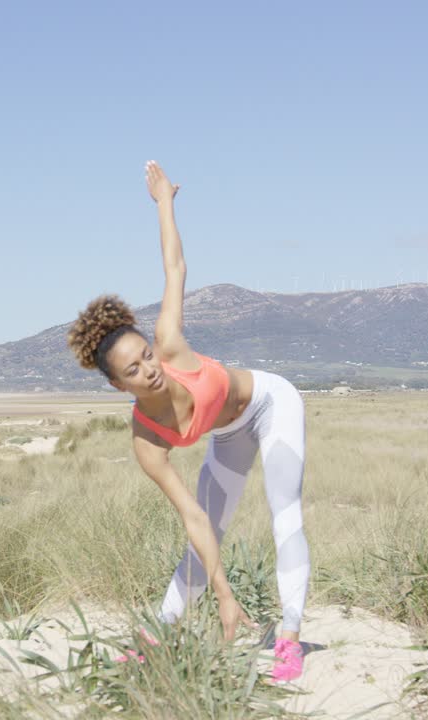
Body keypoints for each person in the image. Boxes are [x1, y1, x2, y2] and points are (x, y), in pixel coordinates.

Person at [65, 161, 311, 683]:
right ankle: (153, 640)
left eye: (147, 356)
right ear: (118, 386)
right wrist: (225, 597)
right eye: (134, 370)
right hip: (228, 435)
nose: (150, 370)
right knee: (206, 531)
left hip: (270, 404)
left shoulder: (171, 345)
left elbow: (174, 269)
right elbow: (193, 519)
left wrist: (163, 202)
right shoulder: (146, 440)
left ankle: (289, 640)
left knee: (283, 510)